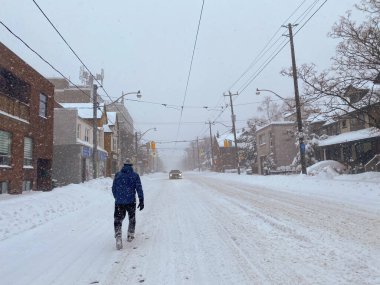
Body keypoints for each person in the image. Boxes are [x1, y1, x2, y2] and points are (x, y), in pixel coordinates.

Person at [112, 158, 144, 250]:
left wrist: (117, 197)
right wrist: (141, 200)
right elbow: (139, 188)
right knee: (132, 218)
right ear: (131, 166)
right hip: (131, 201)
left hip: (119, 202)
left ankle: (118, 236)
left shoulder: (118, 175)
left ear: (124, 165)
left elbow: (113, 188)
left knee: (118, 219)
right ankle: (130, 235)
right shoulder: (135, 175)